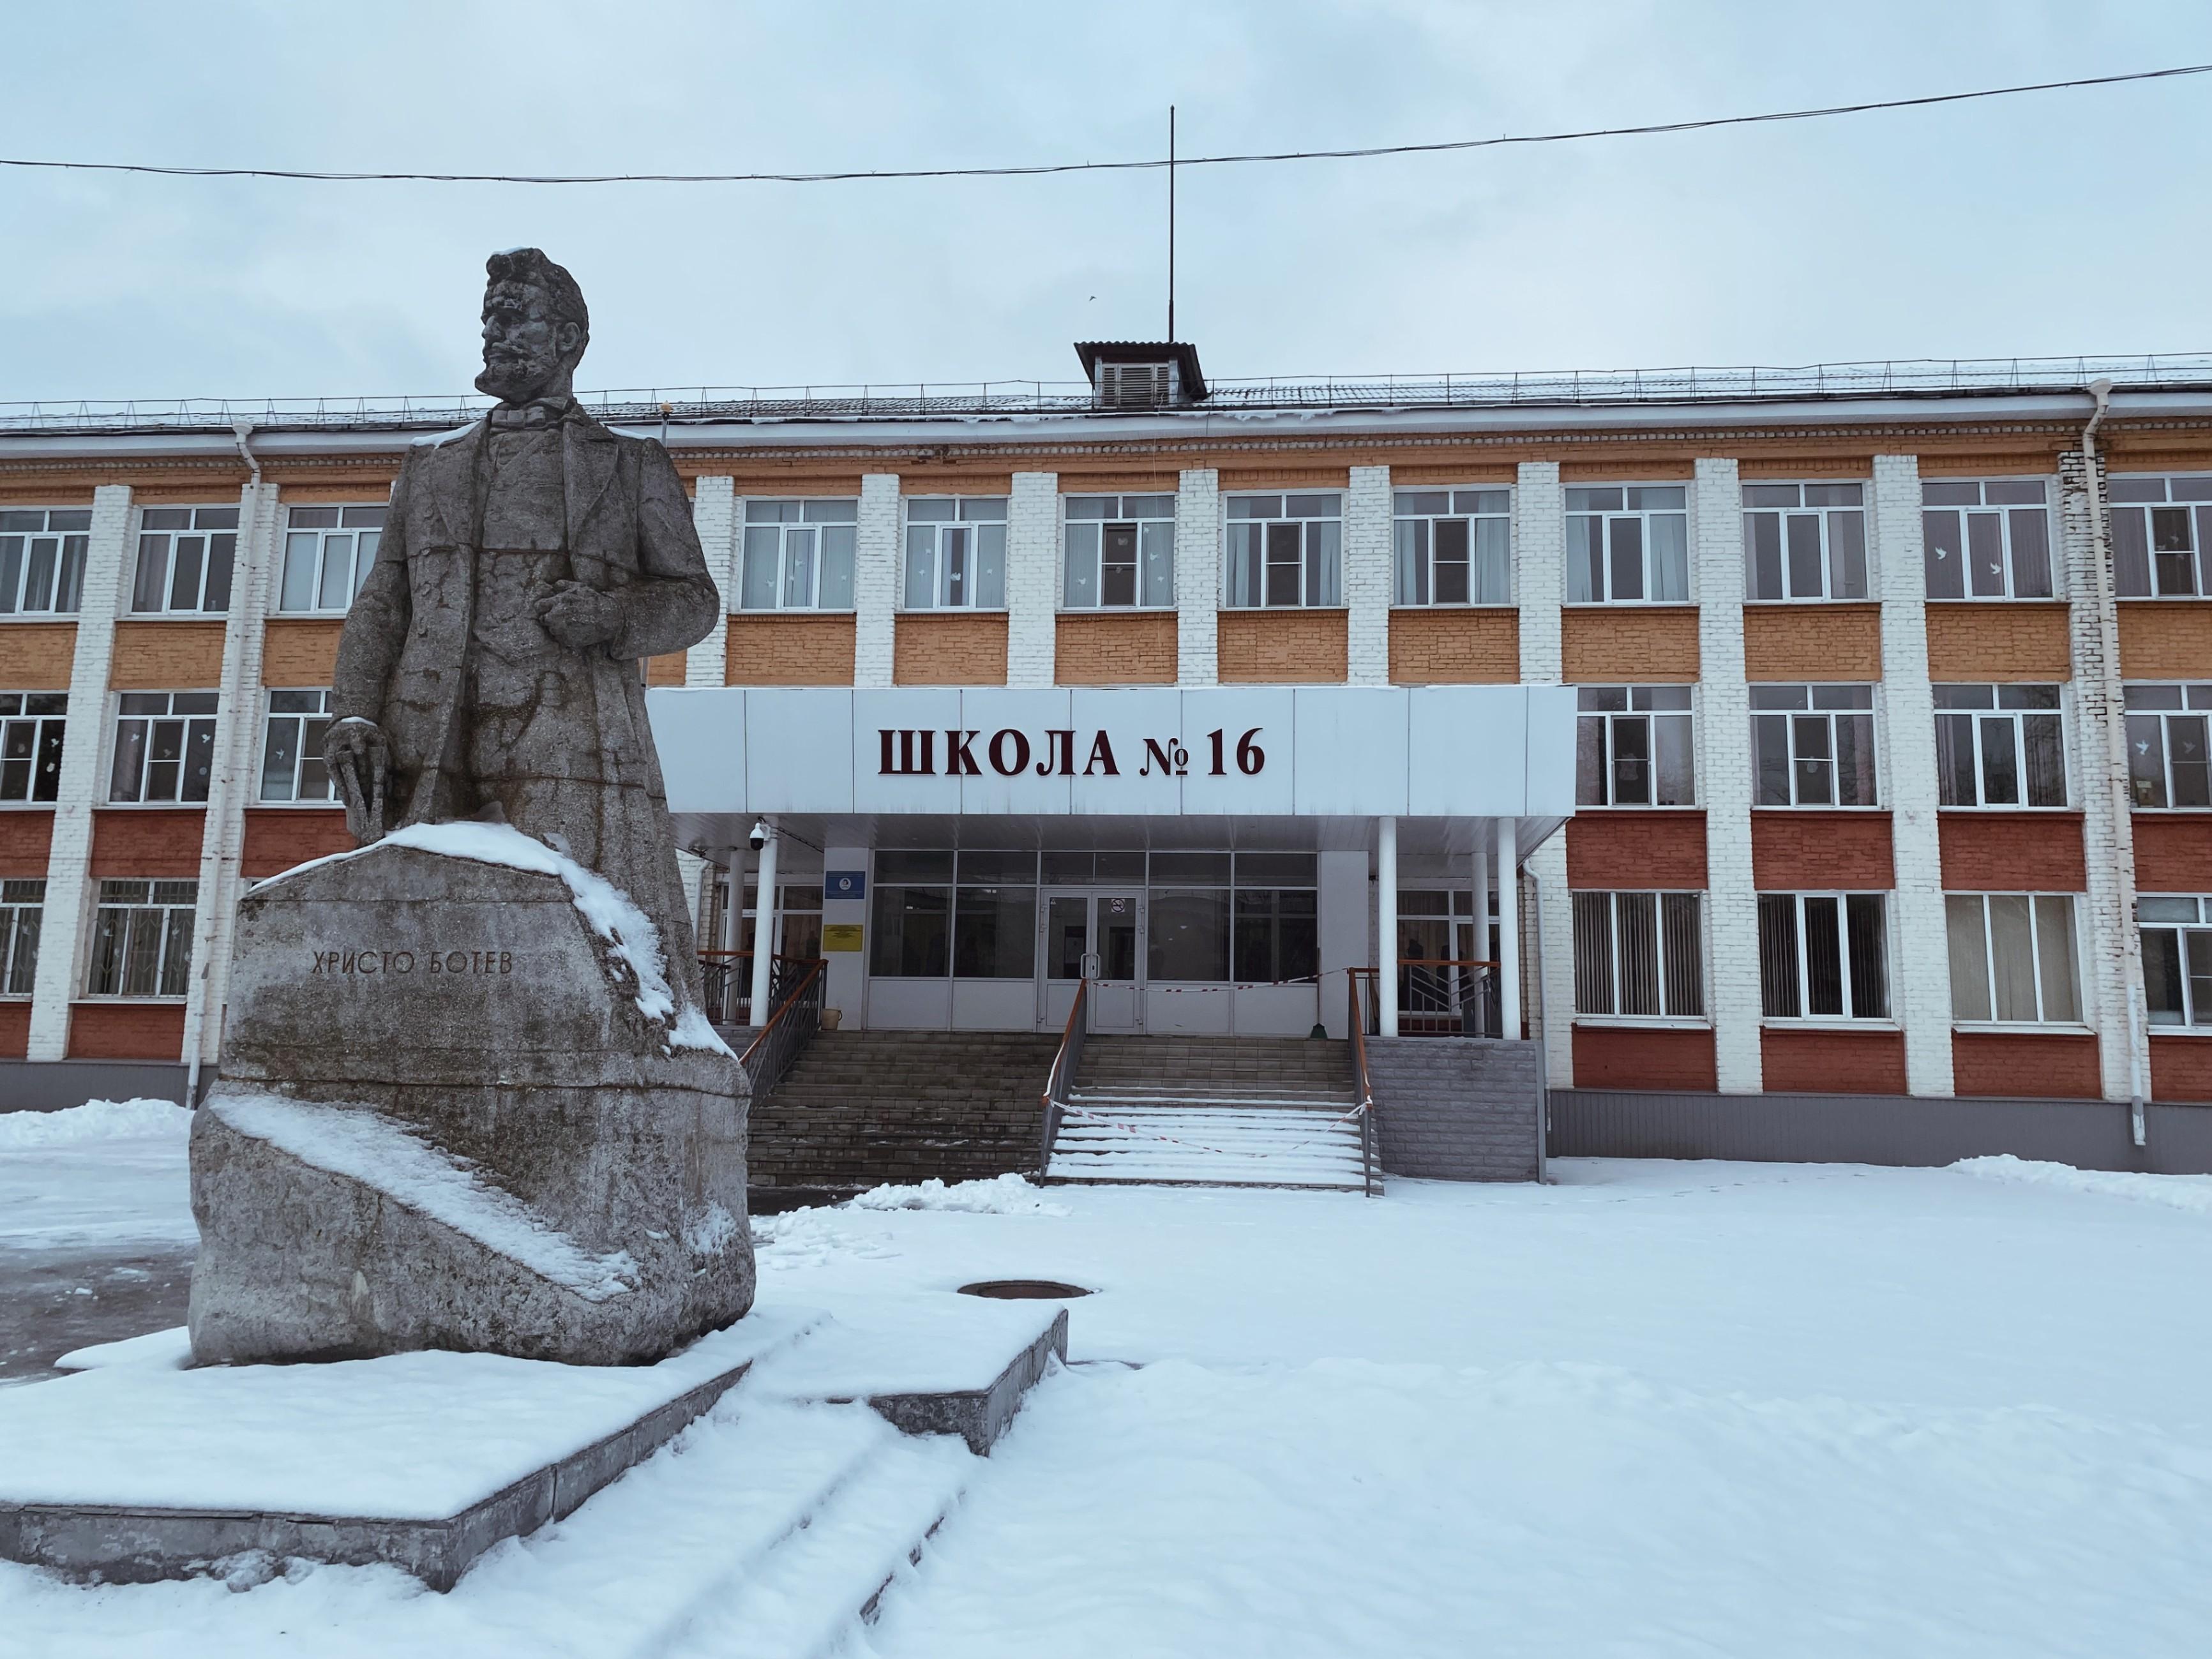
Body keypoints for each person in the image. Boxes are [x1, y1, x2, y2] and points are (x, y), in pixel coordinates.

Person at [323, 248, 717, 995]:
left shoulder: (633, 466)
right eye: (486, 319)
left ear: (568, 338)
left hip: (570, 731)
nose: (492, 334)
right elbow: (384, 599)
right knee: (415, 944)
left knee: (592, 940)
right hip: (432, 729)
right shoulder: (429, 466)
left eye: (511, 317)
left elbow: (695, 599)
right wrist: (353, 711)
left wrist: (612, 614)